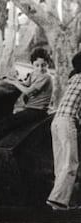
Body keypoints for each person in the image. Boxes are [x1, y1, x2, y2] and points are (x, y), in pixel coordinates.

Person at [47, 52, 81, 211]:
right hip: (67, 122)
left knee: (60, 164)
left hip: (56, 121)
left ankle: (62, 202)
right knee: (71, 163)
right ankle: (57, 200)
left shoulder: (74, 79)